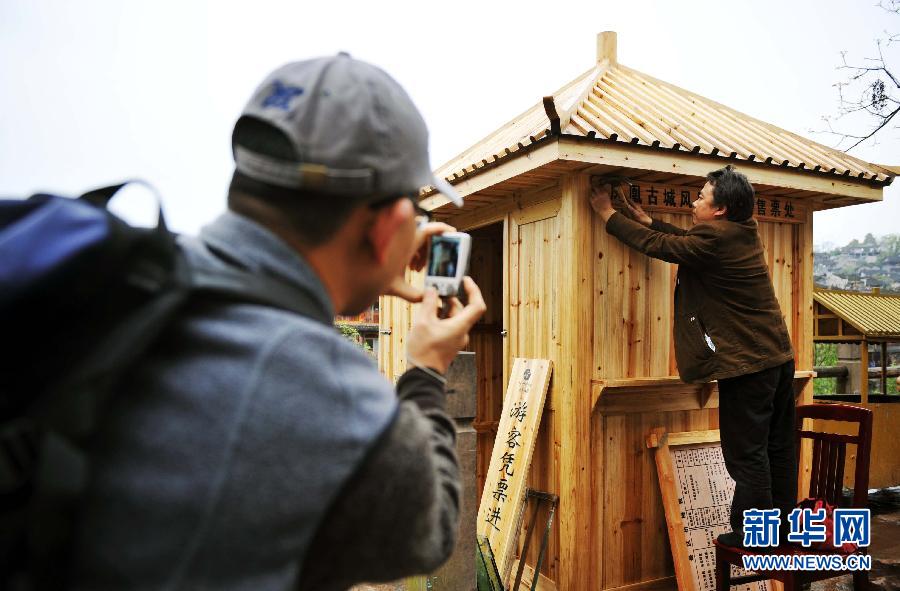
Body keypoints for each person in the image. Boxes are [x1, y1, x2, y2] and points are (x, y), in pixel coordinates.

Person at [70, 54, 486, 590]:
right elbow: (430, 532)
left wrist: (359, 271)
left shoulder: (130, 279)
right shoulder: (330, 393)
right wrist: (427, 369)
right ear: (390, 228)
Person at [589, 166, 796, 548]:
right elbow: (688, 242)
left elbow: (664, 248)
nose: (694, 201)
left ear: (719, 210)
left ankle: (754, 538)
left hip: (750, 365)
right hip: (778, 359)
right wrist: (651, 220)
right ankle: (779, 530)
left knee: (746, 454)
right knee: (777, 447)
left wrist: (607, 213)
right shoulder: (739, 231)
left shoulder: (715, 240)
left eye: (701, 196)